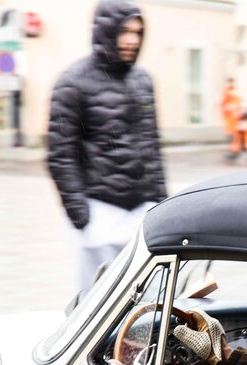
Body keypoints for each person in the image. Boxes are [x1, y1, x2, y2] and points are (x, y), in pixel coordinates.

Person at [47, 0, 167, 291]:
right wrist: (82, 217)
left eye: (137, 32)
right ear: (105, 31)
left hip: (142, 211)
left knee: (147, 298)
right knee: (96, 301)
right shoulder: (72, 82)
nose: (131, 40)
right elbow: (60, 154)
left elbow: (152, 147)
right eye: (124, 31)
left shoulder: (143, 81)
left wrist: (162, 205)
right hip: (99, 211)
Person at [220, 77, 243, 159]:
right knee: (234, 134)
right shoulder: (235, 92)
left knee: (232, 134)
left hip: (231, 117)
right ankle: (235, 150)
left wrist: (225, 109)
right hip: (232, 116)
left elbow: (223, 104)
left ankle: (234, 151)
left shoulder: (229, 92)